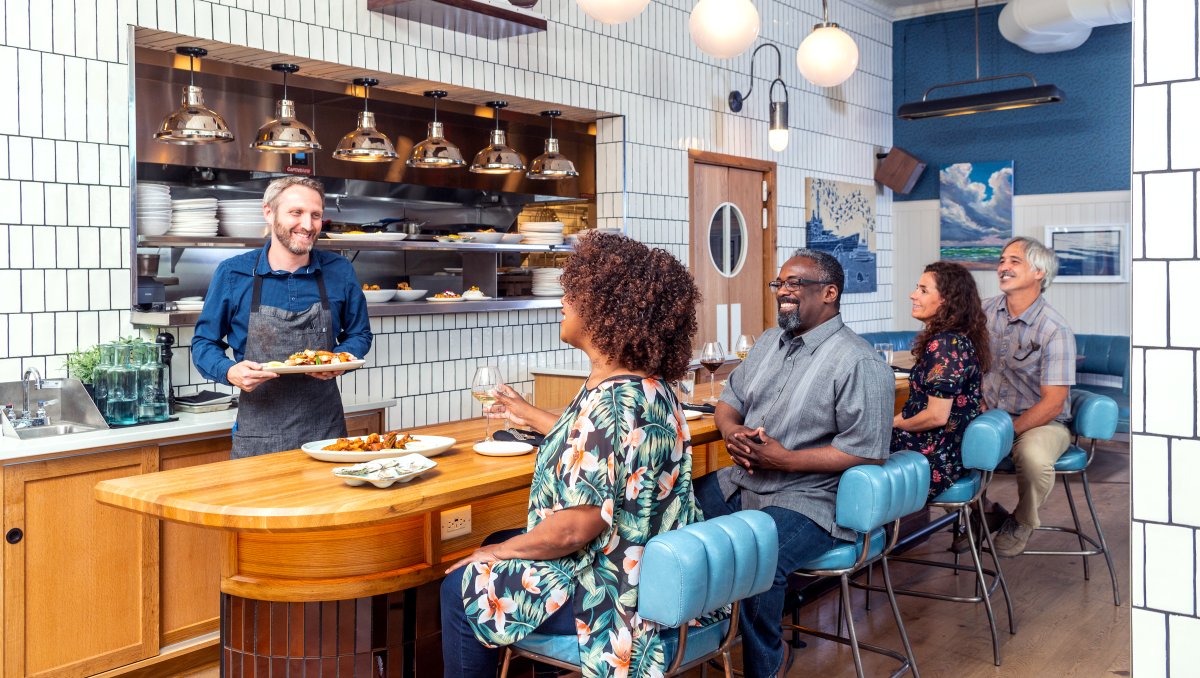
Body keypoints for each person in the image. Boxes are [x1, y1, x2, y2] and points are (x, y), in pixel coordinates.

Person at [439, 233, 708, 678]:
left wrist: (501, 553)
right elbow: (596, 446)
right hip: (649, 574)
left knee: (457, 587)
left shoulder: (608, 404)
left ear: (605, 310)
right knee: (492, 547)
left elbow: (572, 531)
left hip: (613, 597)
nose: (563, 301)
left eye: (573, 292)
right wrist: (526, 412)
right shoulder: (649, 388)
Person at [693, 248, 894, 678]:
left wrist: (786, 460)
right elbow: (728, 404)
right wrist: (732, 433)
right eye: (779, 283)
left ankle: (765, 661)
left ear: (830, 292)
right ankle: (697, 644)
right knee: (672, 515)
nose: (783, 291)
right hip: (743, 482)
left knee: (755, 558)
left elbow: (869, 451)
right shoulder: (768, 342)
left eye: (795, 284)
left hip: (810, 499)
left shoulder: (859, 361)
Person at [192, 176, 372, 458]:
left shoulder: (339, 270)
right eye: (296, 212)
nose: (308, 225)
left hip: (327, 436)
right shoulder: (232, 273)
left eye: (316, 215)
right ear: (269, 212)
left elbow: (359, 334)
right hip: (257, 438)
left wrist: (341, 359)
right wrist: (229, 371)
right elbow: (203, 343)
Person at [982, 236, 1076, 557]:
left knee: (1034, 459)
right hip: (990, 416)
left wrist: (1008, 433)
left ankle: (1022, 521)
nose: (1003, 267)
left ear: (1039, 272)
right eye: (1002, 261)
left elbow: (1053, 403)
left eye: (1014, 261)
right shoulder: (983, 313)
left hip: (1042, 422)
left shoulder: (1054, 330)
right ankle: (982, 512)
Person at [891, 261, 991, 499]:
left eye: (923, 290)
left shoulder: (944, 344)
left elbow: (936, 416)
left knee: (844, 455)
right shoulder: (957, 339)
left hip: (934, 460)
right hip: (949, 455)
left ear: (947, 299)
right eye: (917, 288)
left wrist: (891, 424)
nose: (913, 295)